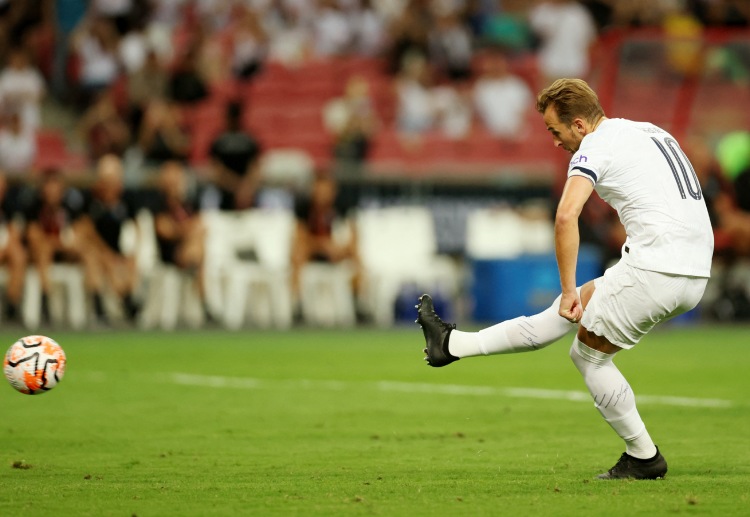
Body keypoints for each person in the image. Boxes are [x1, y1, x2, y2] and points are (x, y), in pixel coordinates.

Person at [416, 78, 714, 480]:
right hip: (695, 266)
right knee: (566, 314)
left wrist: (568, 288)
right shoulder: (648, 130)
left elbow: (566, 215)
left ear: (579, 125)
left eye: (555, 131)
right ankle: (450, 344)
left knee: (587, 355)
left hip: (657, 266)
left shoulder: (594, 146)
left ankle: (644, 457)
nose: (555, 143)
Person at [78, 154, 140, 322]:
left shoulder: (127, 200)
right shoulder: (89, 199)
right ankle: (108, 303)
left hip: (117, 250)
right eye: (107, 181)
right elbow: (86, 232)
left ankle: (127, 296)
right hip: (93, 248)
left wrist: (132, 251)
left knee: (128, 261)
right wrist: (107, 254)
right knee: (95, 258)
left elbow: (136, 229)